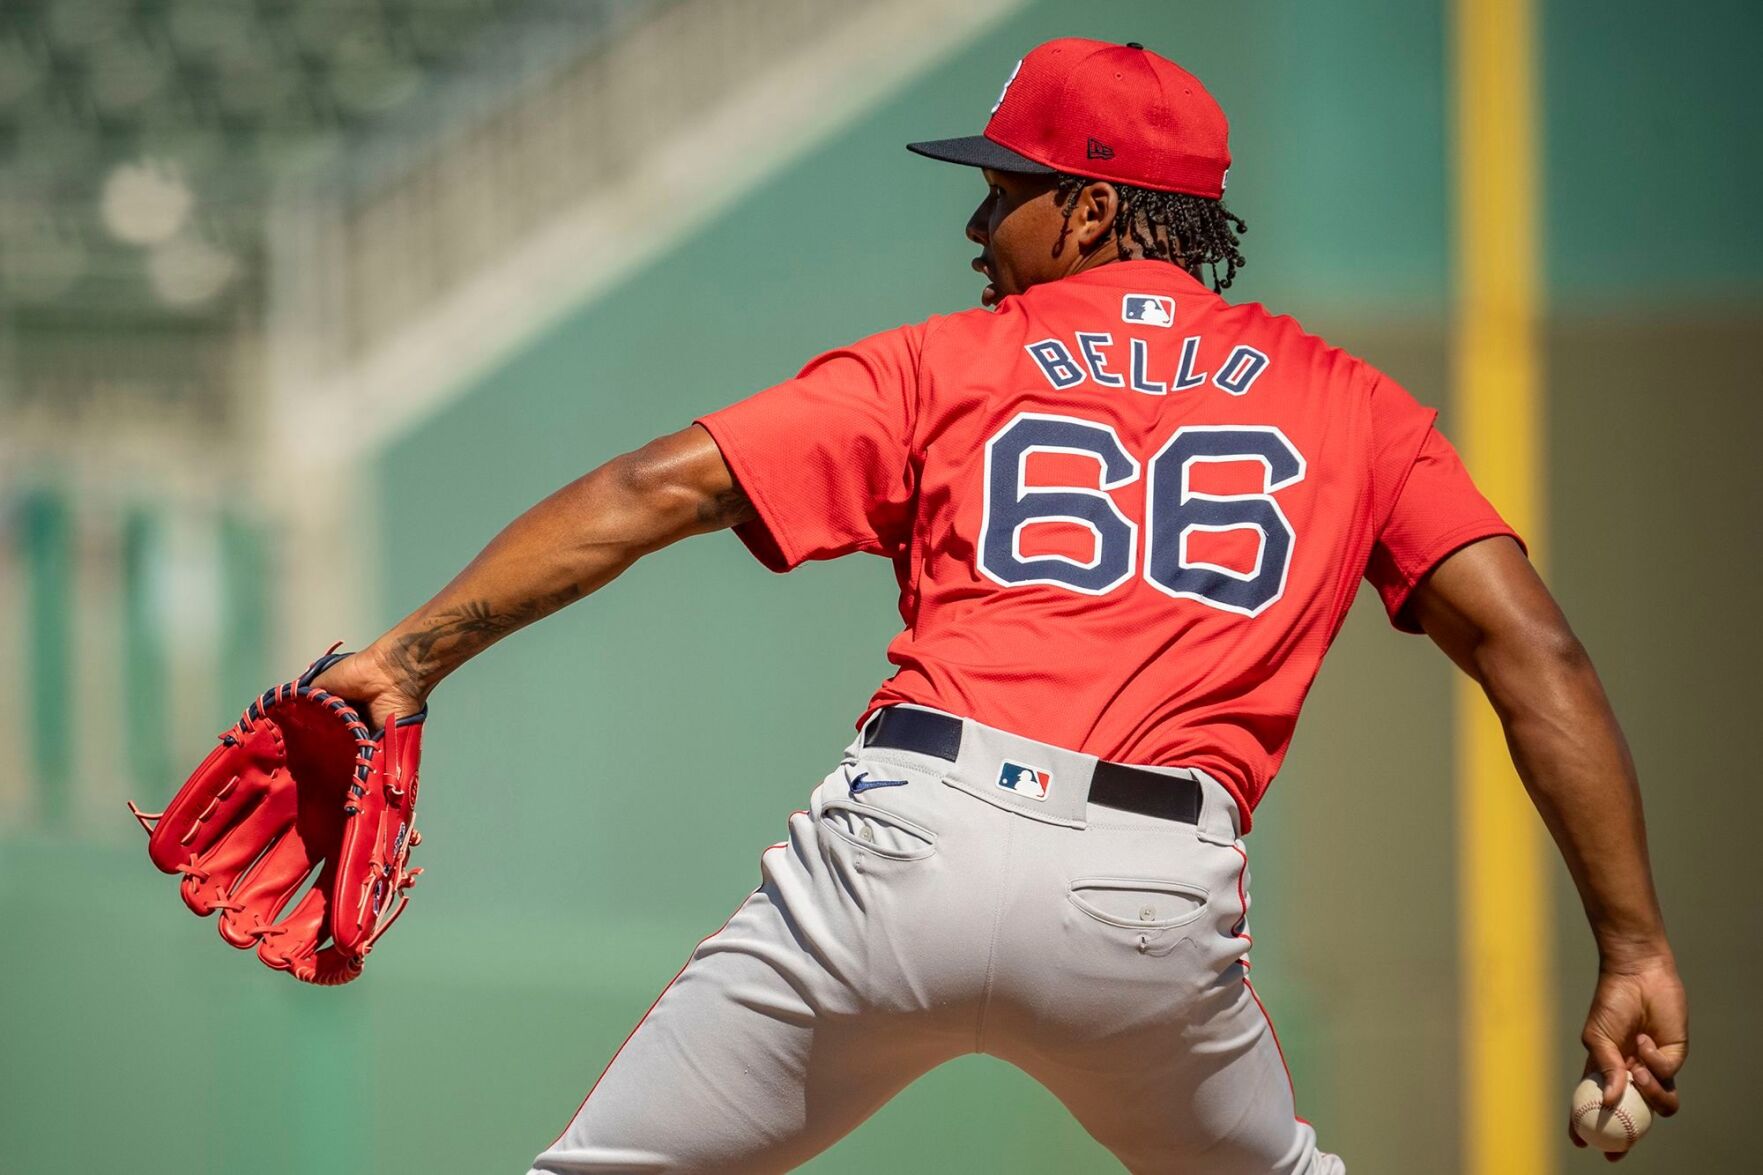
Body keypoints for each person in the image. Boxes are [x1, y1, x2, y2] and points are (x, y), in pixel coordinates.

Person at [312, 37, 1687, 1174]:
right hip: (1148, 900)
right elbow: (1534, 650)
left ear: (1092, 208)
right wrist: (1631, 944)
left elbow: (648, 488)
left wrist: (410, 658)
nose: (978, 223)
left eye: (1004, 189)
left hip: (909, 848)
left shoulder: (945, 363)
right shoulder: (1356, 408)